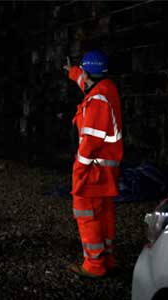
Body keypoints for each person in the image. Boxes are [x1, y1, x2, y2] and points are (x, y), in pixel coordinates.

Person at [63, 50, 123, 278]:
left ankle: (94, 266)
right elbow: (85, 82)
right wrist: (72, 72)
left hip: (92, 170)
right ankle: (107, 258)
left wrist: (79, 170)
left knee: (86, 214)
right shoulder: (106, 89)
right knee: (104, 212)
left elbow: (90, 143)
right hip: (106, 170)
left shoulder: (97, 101)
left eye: (82, 73)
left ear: (88, 73)